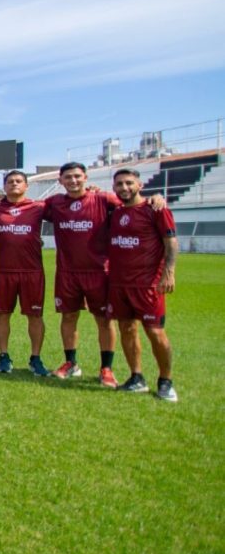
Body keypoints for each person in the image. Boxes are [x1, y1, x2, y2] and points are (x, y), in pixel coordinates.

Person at [42, 162, 122, 387]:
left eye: (77, 176)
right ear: (61, 181)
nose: (73, 181)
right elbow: (25, 208)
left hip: (99, 271)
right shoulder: (55, 203)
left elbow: (134, 204)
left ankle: (106, 368)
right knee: (68, 317)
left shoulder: (103, 199)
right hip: (67, 272)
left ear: (85, 177)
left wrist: (155, 199)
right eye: (68, 177)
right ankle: (71, 363)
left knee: (104, 320)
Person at [108, 168, 178, 401]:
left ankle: (166, 381)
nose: (124, 188)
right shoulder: (115, 213)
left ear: (140, 185)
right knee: (127, 328)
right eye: (119, 184)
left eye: (129, 183)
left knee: (155, 332)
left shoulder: (156, 209)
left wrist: (169, 272)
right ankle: (136, 377)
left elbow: (171, 242)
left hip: (148, 285)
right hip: (119, 284)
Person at [0, 171, 51, 376]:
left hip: (32, 271)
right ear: (4, 186)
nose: (14, 184)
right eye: (10, 181)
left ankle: (35, 358)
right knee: (2, 315)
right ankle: (4, 356)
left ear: (26, 186)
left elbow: (69, 211)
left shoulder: (39, 207)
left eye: (18, 181)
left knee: (35, 316)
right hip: (4, 271)